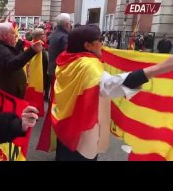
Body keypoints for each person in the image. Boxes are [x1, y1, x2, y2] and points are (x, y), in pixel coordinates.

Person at [53, 25, 173, 161]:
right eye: (99, 40)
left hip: (64, 121)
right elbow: (110, 86)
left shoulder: (66, 59)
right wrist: (161, 68)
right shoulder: (88, 65)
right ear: (88, 45)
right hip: (81, 129)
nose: (102, 43)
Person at [0, 22, 43, 99]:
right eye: (13, 33)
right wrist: (32, 50)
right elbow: (14, 64)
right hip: (8, 99)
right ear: (5, 36)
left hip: (11, 96)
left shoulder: (3, 48)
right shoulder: (0, 50)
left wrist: (19, 46)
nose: (16, 35)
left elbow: (12, 56)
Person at [47, 13, 72, 100]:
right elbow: (68, 54)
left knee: (53, 95)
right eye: (70, 22)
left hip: (52, 68)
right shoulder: (64, 37)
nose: (71, 24)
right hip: (59, 70)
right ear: (67, 24)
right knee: (57, 97)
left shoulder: (54, 33)